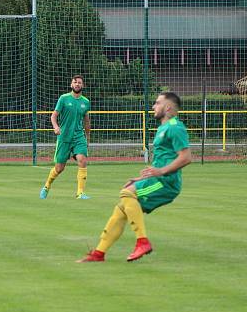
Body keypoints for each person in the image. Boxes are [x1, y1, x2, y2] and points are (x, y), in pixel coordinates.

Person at [78, 92, 191, 263]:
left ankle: (142, 242)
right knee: (121, 208)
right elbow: (163, 159)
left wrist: (160, 172)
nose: (154, 106)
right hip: (158, 179)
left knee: (127, 193)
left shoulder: (175, 127)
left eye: (157, 103)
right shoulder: (164, 128)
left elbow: (186, 157)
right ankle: (99, 253)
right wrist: (141, 179)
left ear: (168, 107)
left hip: (167, 182)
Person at [40, 75, 91, 200]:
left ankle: (80, 193)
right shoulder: (63, 98)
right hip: (64, 137)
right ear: (71, 85)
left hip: (78, 137)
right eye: (75, 82)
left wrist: (88, 137)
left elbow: (86, 121)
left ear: (82, 85)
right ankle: (46, 186)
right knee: (59, 168)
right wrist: (56, 127)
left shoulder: (86, 102)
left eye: (79, 82)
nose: (77, 84)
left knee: (82, 160)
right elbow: (53, 116)